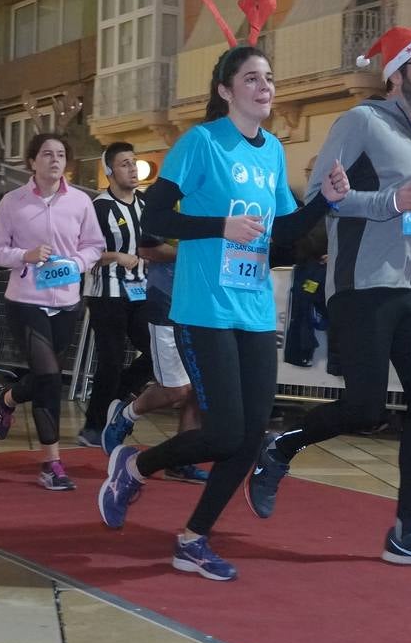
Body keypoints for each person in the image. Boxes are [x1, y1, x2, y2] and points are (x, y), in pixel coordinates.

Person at [96, 43, 346, 581]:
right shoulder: (201, 143)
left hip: (253, 308)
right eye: (252, 78)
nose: (265, 87)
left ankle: (192, 539)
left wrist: (324, 201)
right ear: (226, 91)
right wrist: (219, 227)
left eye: (269, 78)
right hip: (203, 306)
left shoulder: (273, 151)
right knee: (224, 431)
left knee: (249, 435)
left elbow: (282, 232)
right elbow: (154, 220)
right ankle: (134, 467)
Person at [244, 26, 411, 574]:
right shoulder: (361, 122)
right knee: (366, 409)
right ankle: (281, 446)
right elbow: (323, 196)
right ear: (395, 75)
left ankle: (409, 530)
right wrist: (389, 199)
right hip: (363, 286)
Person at [0, 134, 104, 490]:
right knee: (49, 377)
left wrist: (78, 263)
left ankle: (5, 398)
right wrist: (25, 255)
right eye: (47, 154)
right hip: (26, 301)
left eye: (61, 154)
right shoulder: (12, 202)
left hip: (66, 301)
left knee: (45, 375)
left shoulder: (81, 202)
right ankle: (52, 464)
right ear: (32, 162)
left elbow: (95, 245)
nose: (54, 160)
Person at [98, 221, 208, 484]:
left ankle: (181, 460)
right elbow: (148, 250)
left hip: (205, 307)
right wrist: (199, 252)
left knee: (199, 391)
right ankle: (126, 414)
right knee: (176, 390)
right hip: (167, 304)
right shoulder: (171, 198)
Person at [78, 142, 154, 447]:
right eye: (124, 164)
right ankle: (93, 426)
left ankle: (119, 395)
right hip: (106, 292)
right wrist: (115, 256)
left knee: (157, 353)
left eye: (134, 162)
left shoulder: (145, 205)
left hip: (140, 290)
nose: (132, 169)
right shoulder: (99, 207)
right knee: (109, 359)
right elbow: (84, 251)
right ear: (110, 171)